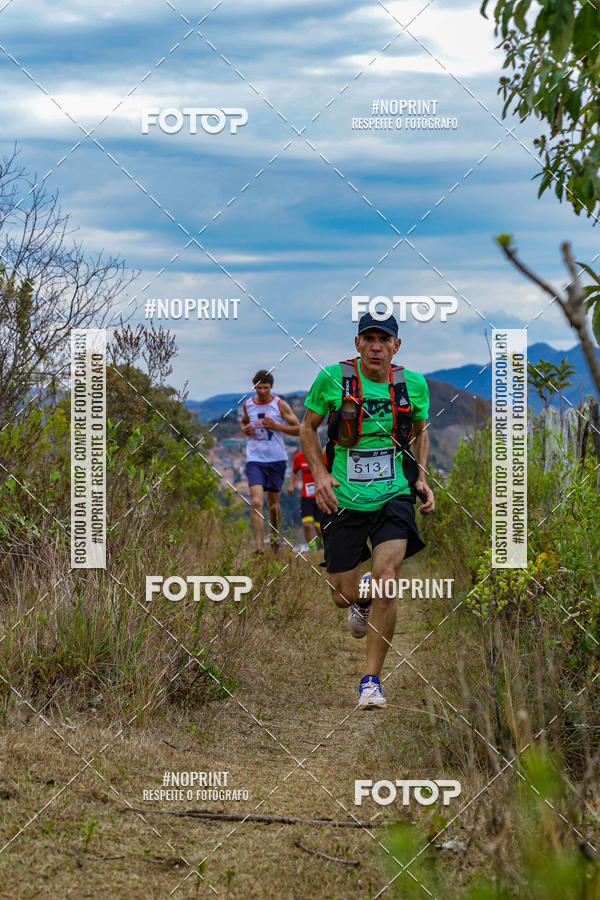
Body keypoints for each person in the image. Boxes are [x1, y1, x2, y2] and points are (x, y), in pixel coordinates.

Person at [300, 313, 435, 709]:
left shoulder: (413, 385)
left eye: (384, 339)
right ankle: (359, 602)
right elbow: (308, 428)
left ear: (396, 345)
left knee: (387, 579)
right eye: (369, 339)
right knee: (342, 595)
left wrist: (422, 478)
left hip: (394, 495)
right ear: (358, 344)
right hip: (343, 498)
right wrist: (321, 475)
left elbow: (421, 431)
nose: (377, 346)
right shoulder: (332, 379)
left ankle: (371, 681)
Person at [241, 369, 300, 554]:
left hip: (276, 460)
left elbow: (298, 429)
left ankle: (275, 538)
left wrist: (277, 426)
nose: (262, 392)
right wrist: (246, 429)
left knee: (273, 505)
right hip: (255, 459)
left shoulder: (279, 405)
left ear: (271, 387)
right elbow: (243, 422)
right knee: (256, 502)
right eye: (259, 388)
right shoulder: (248, 405)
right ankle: (259, 548)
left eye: (265, 388)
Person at [288, 449, 322, 548]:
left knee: (319, 529)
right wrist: (291, 485)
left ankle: (322, 547)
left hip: (321, 497)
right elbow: (294, 471)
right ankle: (313, 549)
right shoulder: (298, 457)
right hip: (306, 497)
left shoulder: (321, 456)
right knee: (307, 525)